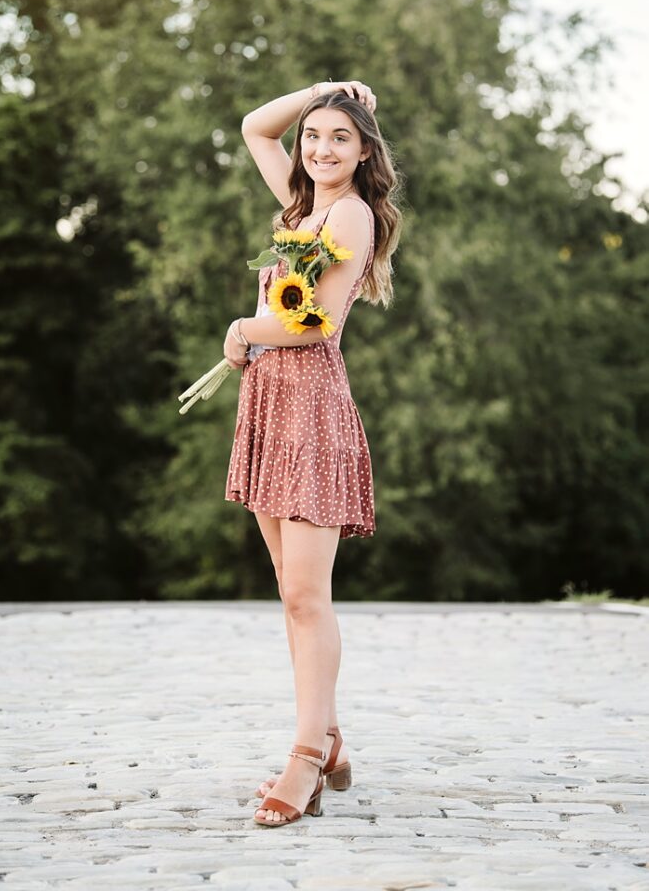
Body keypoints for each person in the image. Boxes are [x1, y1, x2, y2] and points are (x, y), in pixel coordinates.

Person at [223, 80, 403, 827]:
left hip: (312, 405)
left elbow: (314, 325)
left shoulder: (352, 215)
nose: (320, 148)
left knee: (306, 595)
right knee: (289, 594)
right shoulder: (301, 211)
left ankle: (302, 759)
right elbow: (254, 128)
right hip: (269, 403)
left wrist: (241, 329)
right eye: (314, 136)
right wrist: (323, 88)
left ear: (363, 153)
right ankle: (325, 740)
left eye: (339, 137)